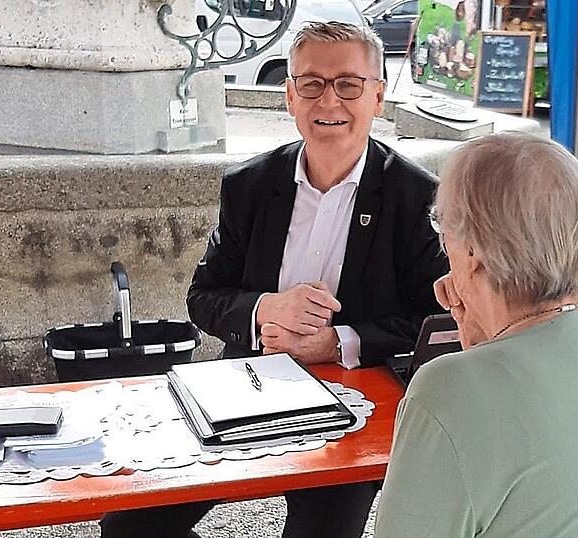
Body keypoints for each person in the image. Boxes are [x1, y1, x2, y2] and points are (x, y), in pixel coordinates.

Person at [98, 22, 447, 538]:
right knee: (130, 527)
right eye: (311, 84)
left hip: (354, 401)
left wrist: (339, 341)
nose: (329, 99)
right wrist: (264, 310)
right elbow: (202, 297)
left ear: (378, 95)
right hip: (245, 389)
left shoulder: (415, 196)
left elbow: (438, 320)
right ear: (289, 96)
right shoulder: (250, 185)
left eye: (348, 84)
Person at [374, 132, 578, 537]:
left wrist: (472, 363)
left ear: (472, 250)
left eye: (442, 224)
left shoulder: (447, 390)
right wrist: (483, 344)